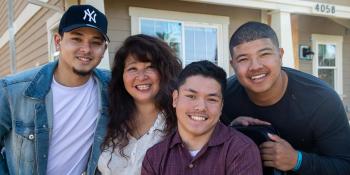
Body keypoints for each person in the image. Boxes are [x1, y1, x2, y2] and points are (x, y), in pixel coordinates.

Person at [222, 21, 350, 174]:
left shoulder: (322, 100)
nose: (255, 66)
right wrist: (228, 130)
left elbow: (345, 166)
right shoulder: (222, 98)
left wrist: (297, 160)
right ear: (233, 64)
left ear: (280, 55)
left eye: (265, 54)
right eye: (243, 59)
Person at [0, 4, 110, 175]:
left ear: (104, 50)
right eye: (76, 39)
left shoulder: (111, 88)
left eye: (96, 43)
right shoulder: (13, 91)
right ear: (58, 41)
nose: (86, 49)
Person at [142, 60, 263, 175]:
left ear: (221, 106)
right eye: (191, 96)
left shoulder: (241, 150)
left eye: (211, 99)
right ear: (175, 99)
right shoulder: (155, 157)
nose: (201, 107)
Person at [97, 34, 182, 175]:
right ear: (121, 76)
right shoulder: (109, 119)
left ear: (164, 72)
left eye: (150, 67)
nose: (141, 76)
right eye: (132, 68)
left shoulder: (180, 121)